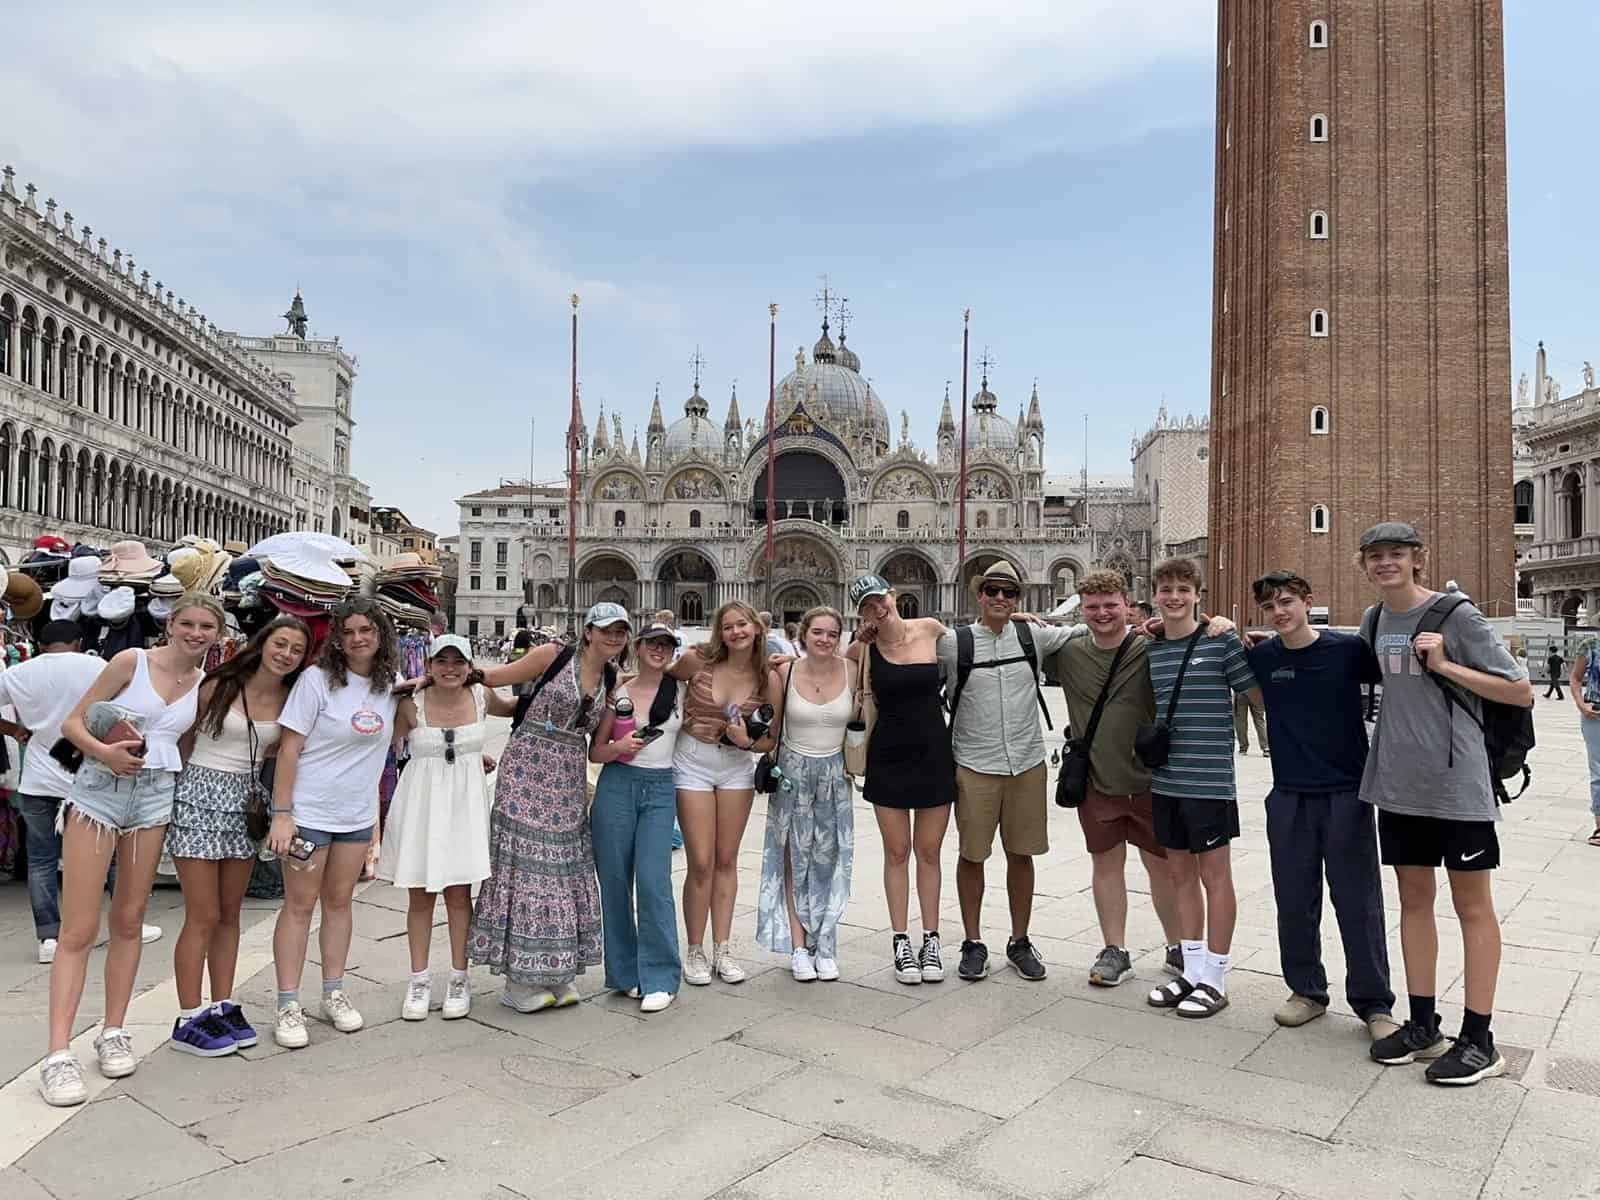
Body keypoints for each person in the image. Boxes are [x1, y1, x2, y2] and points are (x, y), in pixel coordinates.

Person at [1356, 522, 1530, 1085]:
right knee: (1413, 901)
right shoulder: (1375, 619)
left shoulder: (1457, 614)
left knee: (1472, 906)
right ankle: (1423, 1022)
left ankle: (1480, 1038)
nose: (1386, 564)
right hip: (1399, 784)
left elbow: (1519, 689)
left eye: (1397, 555)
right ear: (1365, 565)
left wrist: (1447, 664)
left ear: (1417, 559)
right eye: (1376, 556)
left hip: (1458, 788)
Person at [38, 594, 223, 1107]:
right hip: (98, 792)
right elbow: (73, 723)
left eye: (207, 625)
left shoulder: (202, 685)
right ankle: (57, 1054)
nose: (196, 632)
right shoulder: (130, 661)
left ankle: (113, 1030)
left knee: (129, 919)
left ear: (217, 633)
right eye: (187, 622)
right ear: (171, 623)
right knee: (78, 929)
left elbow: (183, 745)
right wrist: (104, 753)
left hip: (155, 798)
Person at [1245, 572, 1396, 1038]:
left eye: (1287, 602)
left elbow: (1401, 681)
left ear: (1308, 602)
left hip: (1346, 794)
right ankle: (1306, 990)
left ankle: (1374, 1004)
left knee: (1359, 901)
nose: (1279, 613)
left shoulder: (1347, 650)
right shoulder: (1264, 657)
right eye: (1270, 608)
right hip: (1288, 794)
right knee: (1293, 899)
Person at [467, 602, 626, 1011]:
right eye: (606, 629)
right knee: (525, 869)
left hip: (568, 776)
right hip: (527, 767)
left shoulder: (611, 679)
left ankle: (556, 971)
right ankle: (519, 981)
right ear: (588, 630)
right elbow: (491, 678)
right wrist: (452, 676)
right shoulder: (554, 655)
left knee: (560, 871)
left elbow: (601, 737)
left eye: (621, 631)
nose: (614, 637)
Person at [167, 616, 312, 1059]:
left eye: (296, 649)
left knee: (230, 913)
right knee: (202, 914)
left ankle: (221, 1004)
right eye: (280, 643)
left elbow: (281, 750)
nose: (285, 654)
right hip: (200, 795)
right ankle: (188, 1015)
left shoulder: (291, 699)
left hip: (246, 805)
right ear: (263, 643)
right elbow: (183, 738)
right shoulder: (222, 683)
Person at [267, 597, 403, 1050]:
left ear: (381, 634)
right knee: (299, 906)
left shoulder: (390, 685)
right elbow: (289, 748)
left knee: (341, 903)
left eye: (366, 630)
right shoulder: (316, 680)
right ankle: (288, 1003)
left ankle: (333, 992)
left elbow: (412, 729)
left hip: (356, 815)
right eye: (348, 632)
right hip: (309, 812)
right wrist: (282, 814)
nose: (358, 639)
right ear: (338, 640)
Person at [937, 560, 1079, 984]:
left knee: (1022, 854)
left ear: (1019, 598)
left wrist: (1156, 625)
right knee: (972, 854)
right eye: (992, 591)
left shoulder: (1032, 635)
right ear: (978, 595)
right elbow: (903, 641)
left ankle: (1019, 940)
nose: (1000, 598)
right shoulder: (952, 643)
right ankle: (973, 942)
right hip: (974, 765)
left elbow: (1086, 629)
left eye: (1009, 593)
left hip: (1026, 762)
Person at [1046, 572, 1184, 988]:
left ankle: (1178, 945)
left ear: (1128, 604)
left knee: (1162, 867)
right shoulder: (1067, 653)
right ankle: (1115, 949)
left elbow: (1198, 637)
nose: (1102, 613)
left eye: (1110, 604)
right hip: (1097, 780)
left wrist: (1218, 621)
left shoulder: (1152, 647)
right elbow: (1020, 642)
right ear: (1080, 608)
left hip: (1150, 779)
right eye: (1092, 606)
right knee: (1106, 865)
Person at [0, 620, 160, 968]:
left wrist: (15, 729)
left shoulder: (17, 673)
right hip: (89, 778)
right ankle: (127, 924)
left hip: (38, 780)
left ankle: (49, 936)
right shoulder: (97, 666)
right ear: (77, 641)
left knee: (42, 861)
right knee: (111, 855)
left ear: (40, 644)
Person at [1142, 557, 1258, 1020]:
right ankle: (1190, 970)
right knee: (1180, 877)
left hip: (1209, 781)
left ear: (1198, 595)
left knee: (1215, 877)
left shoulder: (1220, 641)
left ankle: (1216, 976)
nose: (1173, 597)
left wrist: (1236, 632)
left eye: (1183, 590)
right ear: (1154, 595)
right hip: (1166, 779)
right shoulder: (1150, 646)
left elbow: (1257, 695)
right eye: (1165, 589)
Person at [382, 635, 514, 1022]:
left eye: (459, 662)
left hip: (464, 805)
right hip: (423, 804)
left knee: (460, 895)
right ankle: (419, 978)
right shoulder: (410, 703)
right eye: (443, 661)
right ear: (430, 665)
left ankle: (460, 977)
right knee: (420, 896)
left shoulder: (482, 698)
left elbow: (518, 708)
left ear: (470, 666)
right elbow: (377, 739)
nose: (450, 668)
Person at [668, 601, 782, 985]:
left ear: (756, 628)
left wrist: (745, 742)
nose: (736, 632)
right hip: (693, 762)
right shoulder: (697, 661)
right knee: (700, 861)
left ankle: (723, 948)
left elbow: (770, 740)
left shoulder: (769, 676)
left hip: (736, 767)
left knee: (727, 859)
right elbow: (656, 673)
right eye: (728, 626)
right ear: (720, 632)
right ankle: (695, 950)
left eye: (743, 625)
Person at [847, 574, 953, 984]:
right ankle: (900, 941)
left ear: (893, 596)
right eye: (867, 606)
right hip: (887, 756)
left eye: (880, 599)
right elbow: (825, 662)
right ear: (862, 614)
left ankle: (931, 939)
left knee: (929, 852)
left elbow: (975, 645)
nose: (878, 609)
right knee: (896, 852)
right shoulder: (864, 648)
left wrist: (1020, 618)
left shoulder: (930, 629)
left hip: (933, 753)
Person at [756, 606, 853, 982]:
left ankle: (824, 944)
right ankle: (799, 947)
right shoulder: (784, 670)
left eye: (832, 633)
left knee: (829, 862)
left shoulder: (854, 670)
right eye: (818, 632)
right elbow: (770, 724)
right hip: (792, 776)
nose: (825, 639)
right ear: (803, 635)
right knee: (794, 861)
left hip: (834, 776)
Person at [590, 622, 684, 1012]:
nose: (658, 650)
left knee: (652, 879)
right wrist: (621, 746)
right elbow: (596, 751)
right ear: (639, 646)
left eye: (666, 645)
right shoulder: (619, 692)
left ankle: (662, 975)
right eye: (652, 643)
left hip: (661, 789)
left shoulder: (681, 691)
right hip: (617, 786)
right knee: (613, 881)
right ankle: (626, 972)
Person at [1571, 638, 1600, 847]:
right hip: (1595, 715)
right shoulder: (1590, 646)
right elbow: (1575, 677)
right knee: (1598, 772)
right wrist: (1581, 705)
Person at [1233, 689, 1269, 755]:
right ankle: (1265, 747)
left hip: (1240, 690)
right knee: (1259, 720)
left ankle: (1243, 748)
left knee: (1240, 721)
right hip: (1256, 691)